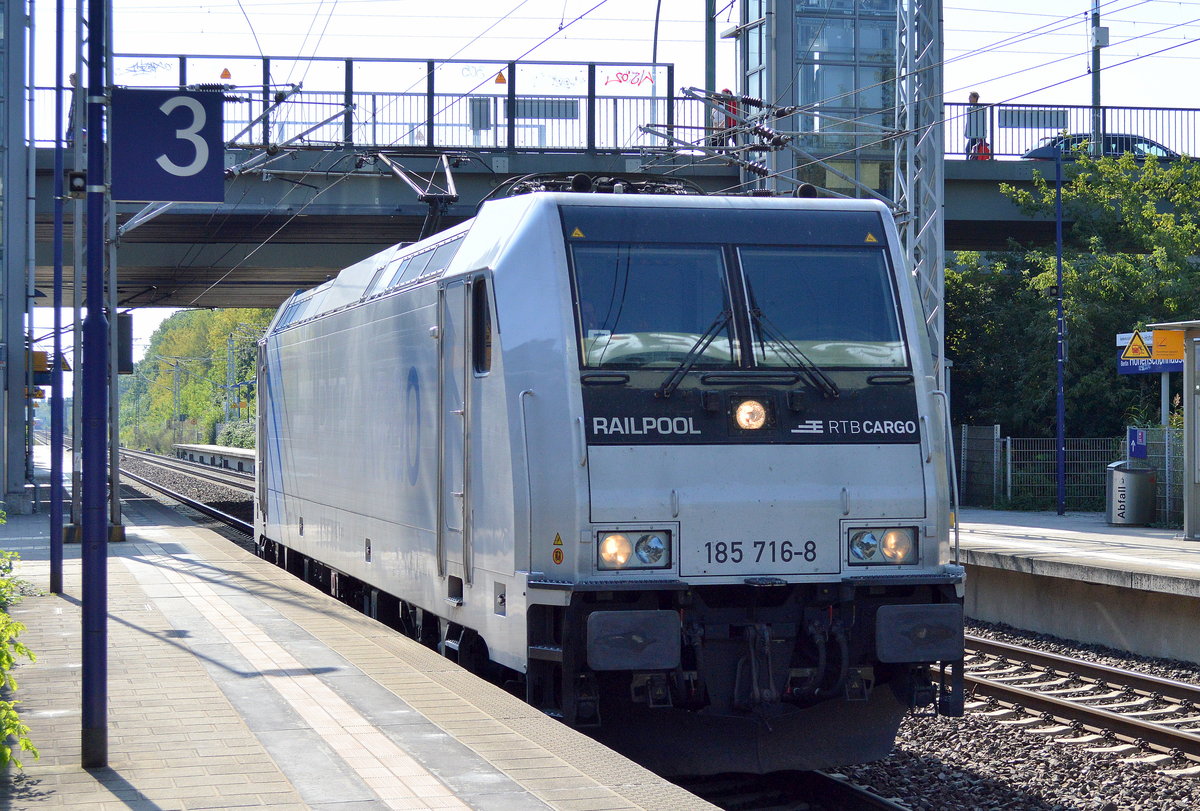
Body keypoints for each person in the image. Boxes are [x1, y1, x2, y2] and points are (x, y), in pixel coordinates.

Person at [965, 91, 989, 159]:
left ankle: (969, 161)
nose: (969, 99)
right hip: (976, 132)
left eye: (970, 97)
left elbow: (978, 121)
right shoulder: (974, 108)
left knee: (969, 148)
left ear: (975, 98)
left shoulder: (978, 108)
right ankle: (972, 159)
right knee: (976, 148)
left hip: (977, 133)